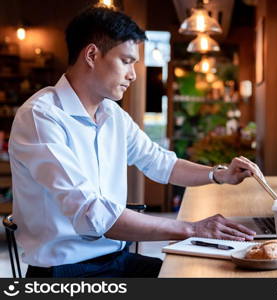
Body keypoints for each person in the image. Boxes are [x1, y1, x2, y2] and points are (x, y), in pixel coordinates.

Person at [8, 5, 262, 278]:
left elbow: (161, 163)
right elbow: (93, 214)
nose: (133, 74)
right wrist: (192, 229)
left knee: (207, 275)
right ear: (92, 54)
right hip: (64, 272)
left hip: (117, 260)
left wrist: (218, 174)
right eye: (126, 61)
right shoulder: (40, 117)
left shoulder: (112, 114)